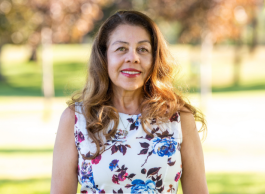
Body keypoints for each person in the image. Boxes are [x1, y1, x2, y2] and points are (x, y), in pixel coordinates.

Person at [51, 10, 208, 194]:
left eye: (143, 49)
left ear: (154, 58)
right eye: (121, 49)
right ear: (104, 56)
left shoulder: (178, 118)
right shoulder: (76, 119)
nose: (133, 57)